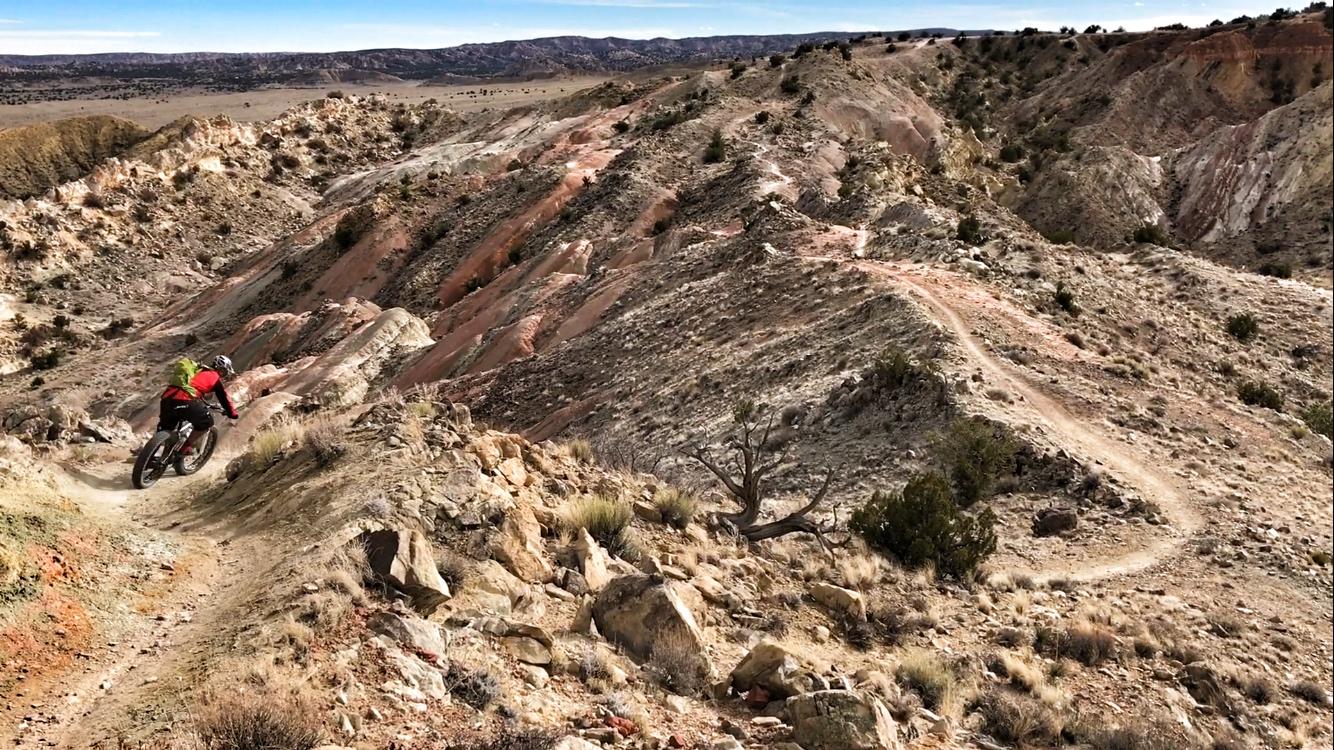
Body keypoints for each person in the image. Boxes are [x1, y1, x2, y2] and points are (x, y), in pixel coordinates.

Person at [159, 355, 239, 454]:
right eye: (225, 372)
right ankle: (184, 448)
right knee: (207, 422)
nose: (223, 375)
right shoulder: (214, 377)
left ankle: (154, 457)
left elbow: (195, 389)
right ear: (221, 369)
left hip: (167, 398)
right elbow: (224, 398)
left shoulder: (196, 371)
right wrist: (232, 414)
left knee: (166, 428)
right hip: (185, 399)